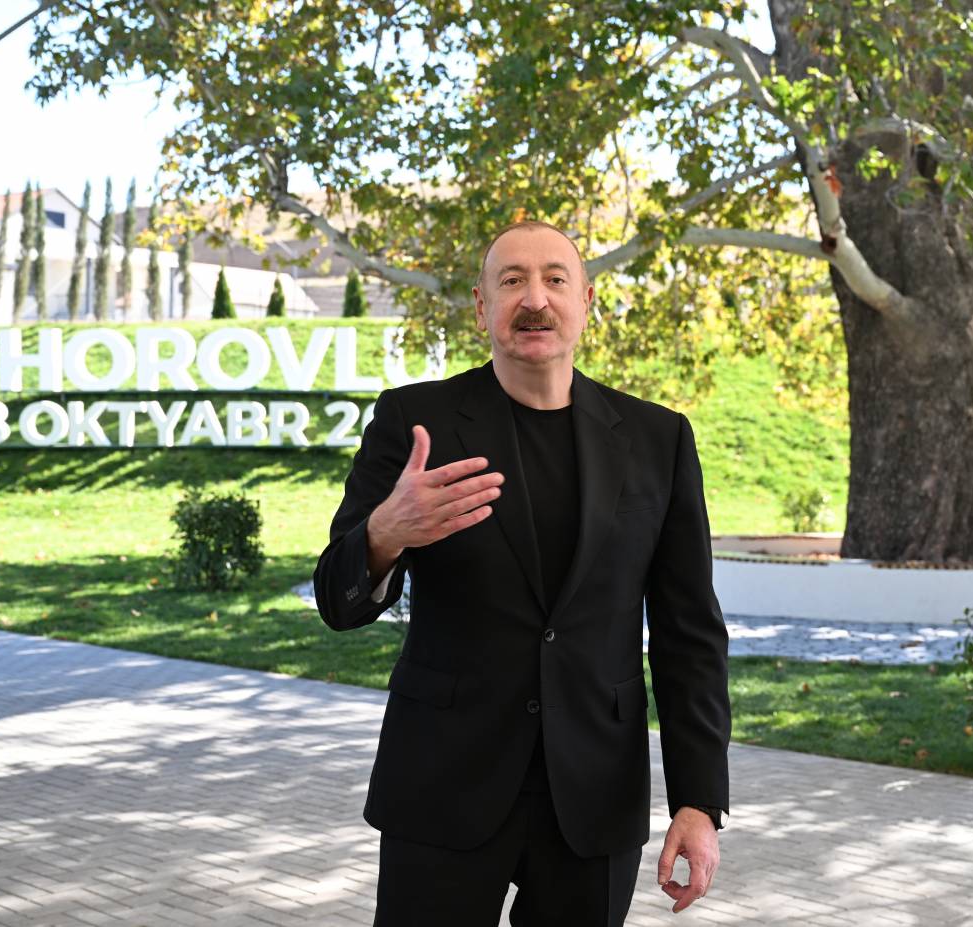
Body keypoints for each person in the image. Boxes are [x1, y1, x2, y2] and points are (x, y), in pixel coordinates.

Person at [312, 219, 731, 926]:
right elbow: (337, 598)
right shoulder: (416, 421)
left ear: (585, 302)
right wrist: (385, 532)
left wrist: (698, 800)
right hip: (442, 785)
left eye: (554, 279)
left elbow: (689, 633)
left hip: (594, 796)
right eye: (512, 281)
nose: (535, 299)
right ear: (482, 307)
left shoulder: (658, 439)